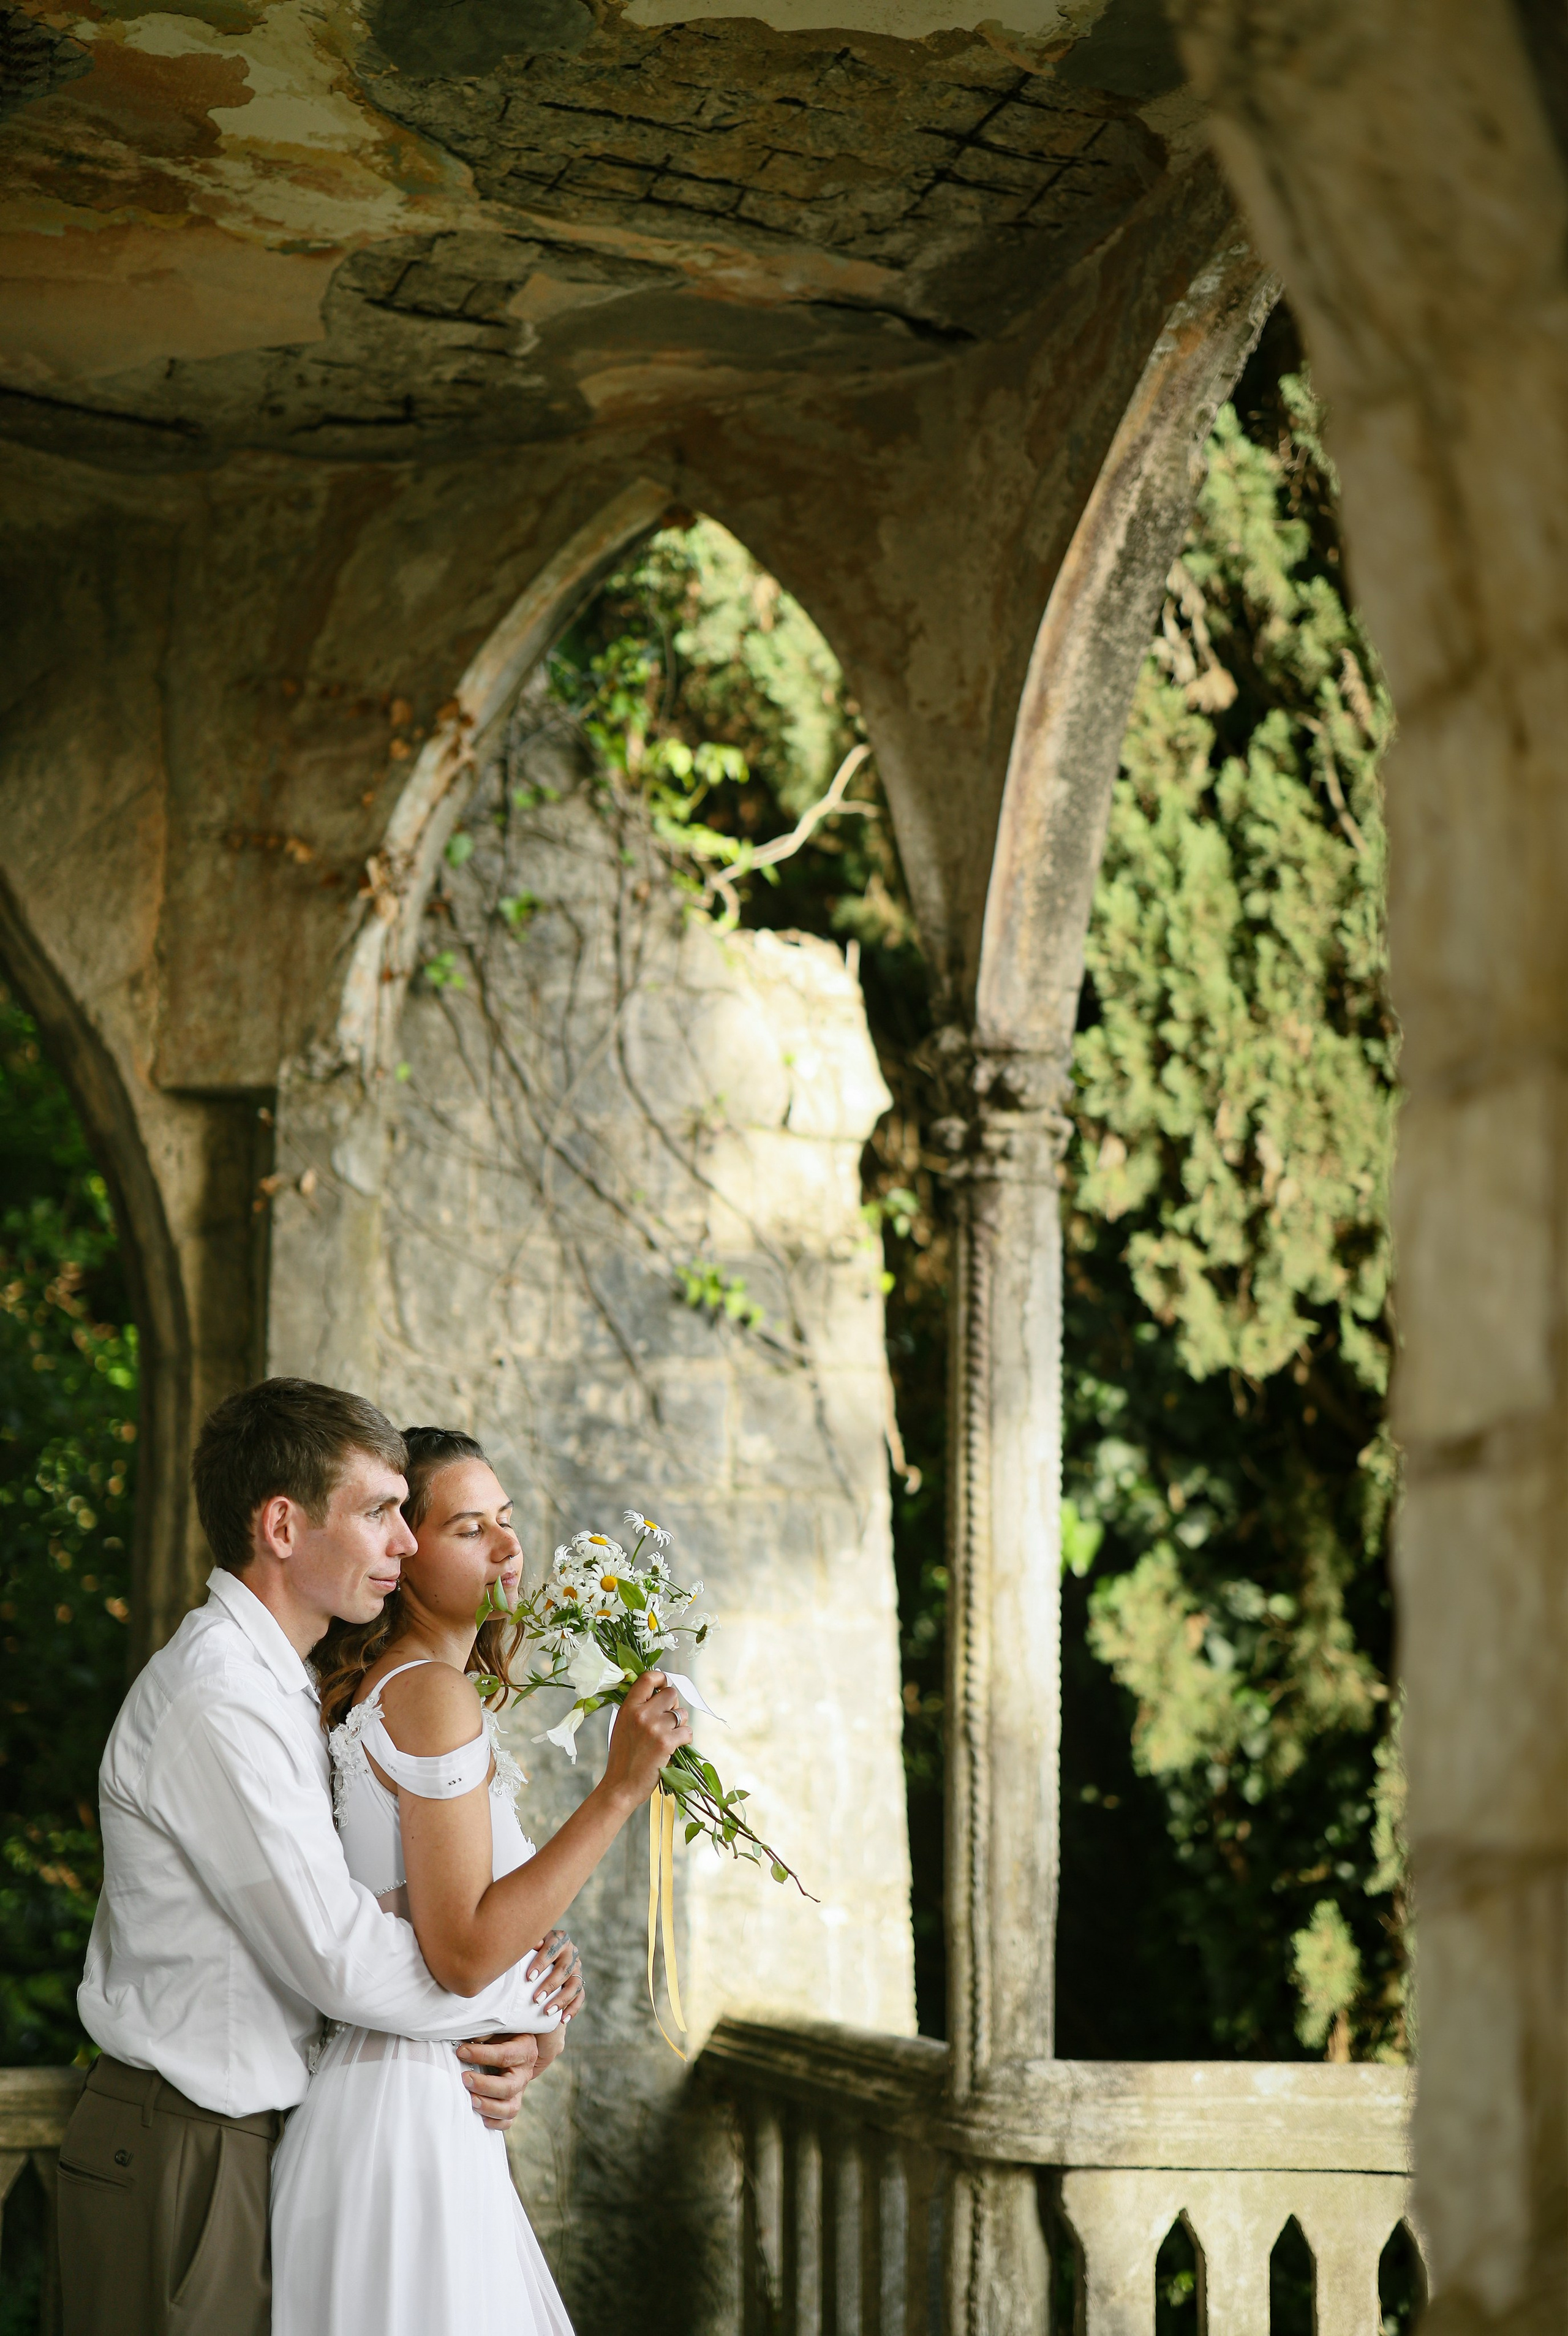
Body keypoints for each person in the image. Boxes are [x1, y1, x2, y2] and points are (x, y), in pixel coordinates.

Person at [58, 1380, 581, 2336]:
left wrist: (511, 1967)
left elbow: (379, 1909)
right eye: (381, 1511)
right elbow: (342, 1957)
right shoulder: (219, 1696)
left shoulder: (291, 1690)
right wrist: (518, 1998)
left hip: (257, 2141)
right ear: (285, 1526)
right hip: (183, 2147)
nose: (407, 1541)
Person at [270, 1426, 691, 2336]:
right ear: (407, 1556)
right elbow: (461, 1951)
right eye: (470, 1528)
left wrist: (539, 1993)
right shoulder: (428, 1693)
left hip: (427, 2098)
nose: (509, 1546)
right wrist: (620, 1789)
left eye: (506, 1520)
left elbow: (471, 1924)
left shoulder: (416, 1688)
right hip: (408, 2124)